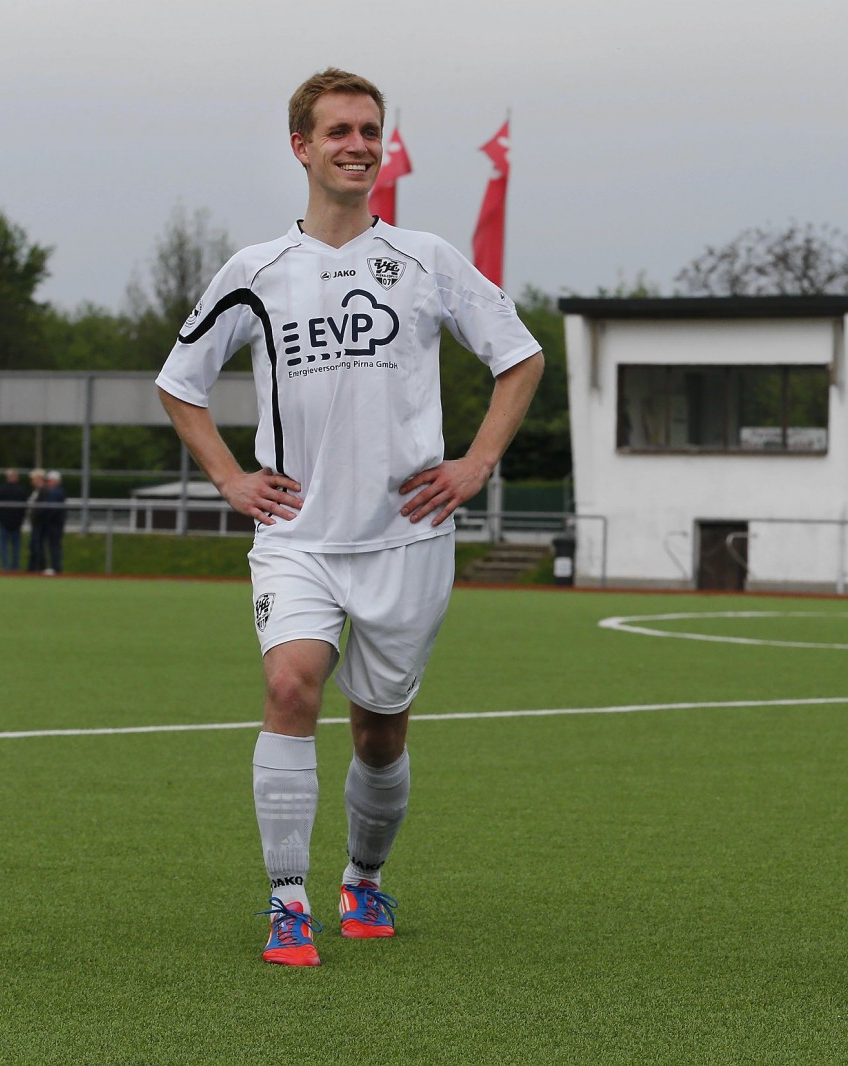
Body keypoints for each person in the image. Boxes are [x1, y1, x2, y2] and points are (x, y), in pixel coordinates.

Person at [155, 68, 544, 967]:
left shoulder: (427, 259)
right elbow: (182, 386)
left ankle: (362, 879)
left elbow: (517, 359)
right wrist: (230, 480)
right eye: (339, 131)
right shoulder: (256, 271)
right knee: (290, 685)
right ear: (301, 146)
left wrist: (477, 462)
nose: (358, 145)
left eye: (369, 130)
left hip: (407, 536)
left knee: (380, 728)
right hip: (296, 537)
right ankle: (287, 902)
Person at [0, 468, 29, 572]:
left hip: (4, 522)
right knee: (16, 546)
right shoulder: (21, 490)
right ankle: (15, 566)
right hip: (16, 522)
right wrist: (21, 519)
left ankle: (5, 566)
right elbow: (24, 507)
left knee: (4, 545)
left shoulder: (1, 489)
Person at [39, 470, 68, 575]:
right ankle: (56, 567)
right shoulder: (58, 491)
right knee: (54, 546)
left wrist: (46, 518)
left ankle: (56, 568)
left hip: (54, 524)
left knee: (54, 546)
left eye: (50, 480)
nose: (48, 482)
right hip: (56, 523)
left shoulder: (55, 492)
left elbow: (52, 509)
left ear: (55, 481)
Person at [24, 468, 46, 572]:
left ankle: (40, 568)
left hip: (40, 524)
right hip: (35, 523)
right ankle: (32, 568)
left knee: (37, 546)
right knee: (33, 546)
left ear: (39, 479)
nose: (32, 481)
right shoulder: (36, 492)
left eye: (33, 478)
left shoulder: (44, 491)